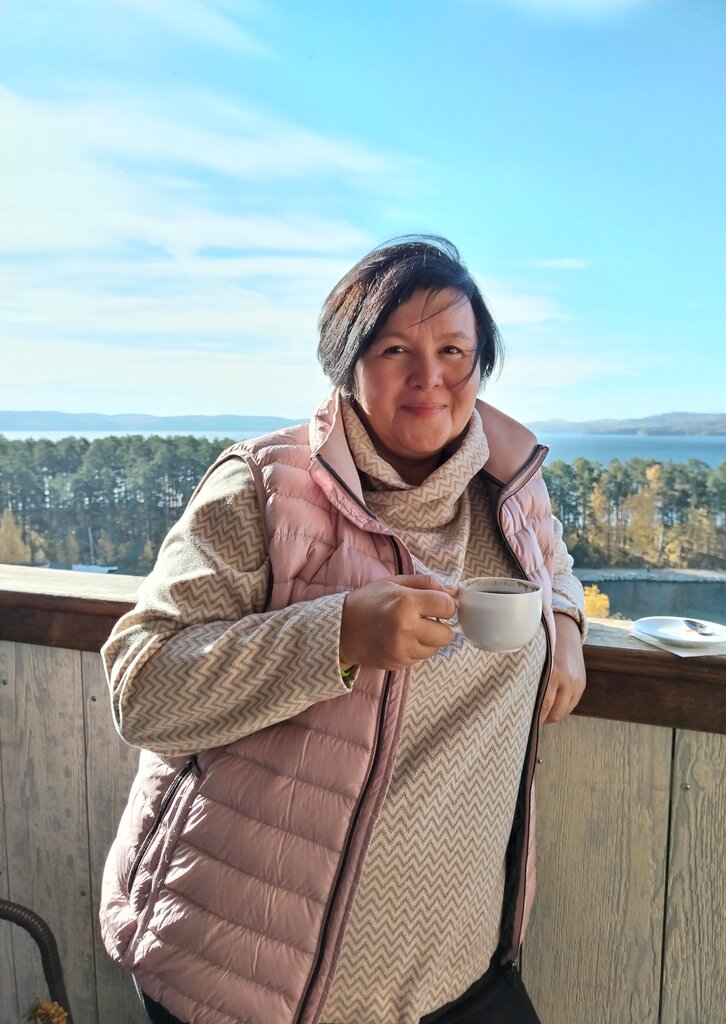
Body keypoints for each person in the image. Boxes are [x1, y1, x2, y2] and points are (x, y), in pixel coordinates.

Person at [100, 236, 587, 1024]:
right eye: (395, 350)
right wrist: (337, 635)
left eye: (454, 350)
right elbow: (142, 686)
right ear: (346, 364)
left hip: (459, 967)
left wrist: (565, 625)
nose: (430, 377)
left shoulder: (511, 487)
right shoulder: (264, 486)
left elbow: (553, 564)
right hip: (254, 978)